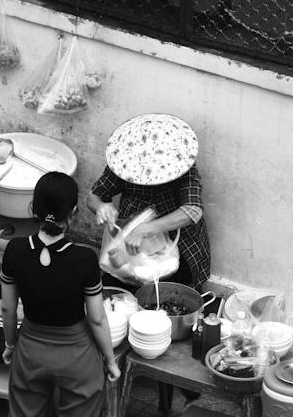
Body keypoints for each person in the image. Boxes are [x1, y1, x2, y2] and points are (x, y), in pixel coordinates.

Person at [0, 172, 121, 417]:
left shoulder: (14, 251)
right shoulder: (84, 259)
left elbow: (8, 308)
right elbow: (97, 319)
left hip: (31, 349)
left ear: (33, 208)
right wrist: (111, 362)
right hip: (76, 358)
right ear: (75, 212)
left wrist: (11, 345)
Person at [86, 113, 210, 291]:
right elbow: (93, 196)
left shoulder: (180, 163)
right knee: (117, 292)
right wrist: (101, 207)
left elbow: (193, 210)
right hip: (130, 245)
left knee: (169, 294)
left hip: (177, 244)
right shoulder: (125, 162)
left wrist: (146, 230)